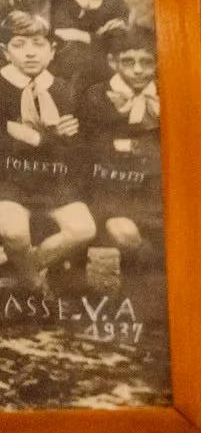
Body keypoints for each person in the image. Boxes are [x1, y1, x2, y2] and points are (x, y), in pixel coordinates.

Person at [0, 10, 89, 292]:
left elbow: (74, 147)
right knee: (13, 231)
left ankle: (21, 272)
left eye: (38, 44)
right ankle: (36, 287)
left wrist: (67, 137)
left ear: (51, 51)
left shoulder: (61, 88)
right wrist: (47, 138)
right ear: (4, 52)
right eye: (19, 44)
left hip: (53, 179)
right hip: (8, 181)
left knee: (83, 229)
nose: (30, 53)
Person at [75, 24, 161, 269]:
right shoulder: (97, 97)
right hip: (111, 193)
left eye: (146, 62)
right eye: (128, 61)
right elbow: (88, 151)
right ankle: (145, 269)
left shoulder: (164, 95)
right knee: (123, 231)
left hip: (153, 193)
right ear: (113, 62)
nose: (137, 70)